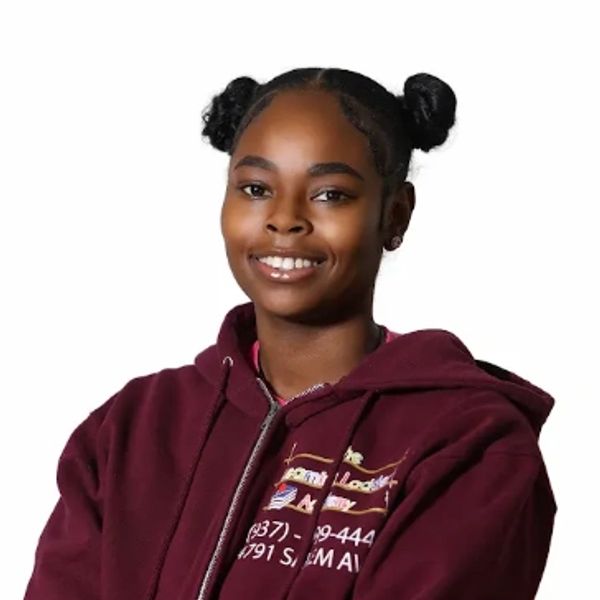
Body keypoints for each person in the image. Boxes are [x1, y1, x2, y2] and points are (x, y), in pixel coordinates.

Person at [24, 67, 556, 600]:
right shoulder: (132, 426)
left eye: (330, 194)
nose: (284, 219)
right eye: (256, 189)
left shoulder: (468, 441)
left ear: (395, 214)